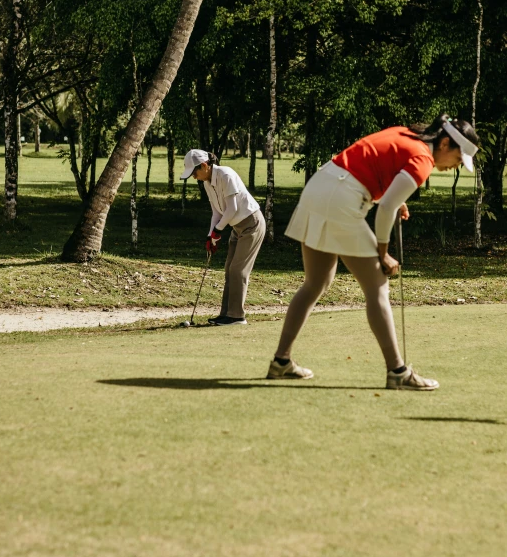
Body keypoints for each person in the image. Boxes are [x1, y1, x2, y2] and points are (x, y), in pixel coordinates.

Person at [266, 114, 479, 389]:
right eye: (459, 158)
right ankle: (398, 372)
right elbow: (386, 208)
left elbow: (372, 171)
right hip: (341, 201)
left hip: (319, 188)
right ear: (446, 142)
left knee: (316, 282)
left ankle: (281, 361)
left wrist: (391, 198)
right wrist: (383, 252)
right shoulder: (422, 159)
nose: (457, 166)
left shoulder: (406, 135)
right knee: (377, 286)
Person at [181, 149, 266, 326]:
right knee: (229, 269)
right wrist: (210, 236)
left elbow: (232, 209)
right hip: (236, 227)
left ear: (204, 165)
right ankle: (226, 314)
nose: (194, 177)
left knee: (238, 270)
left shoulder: (225, 174)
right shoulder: (207, 183)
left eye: (195, 172)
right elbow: (217, 213)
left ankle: (237, 316)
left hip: (252, 224)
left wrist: (218, 231)